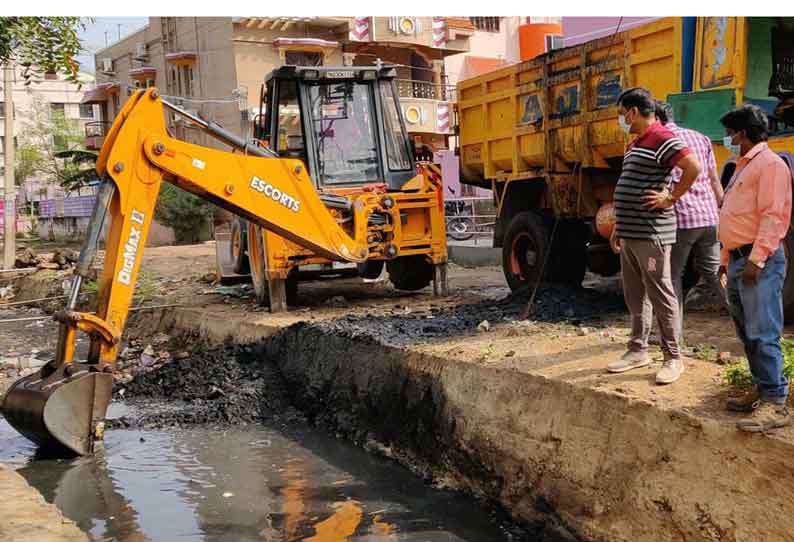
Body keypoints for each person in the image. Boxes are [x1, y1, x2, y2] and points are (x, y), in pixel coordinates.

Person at [608, 87, 702, 384]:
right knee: (635, 295)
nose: (622, 120)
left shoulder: (662, 138)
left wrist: (670, 197)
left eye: (623, 114)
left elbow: (693, 167)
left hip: (652, 234)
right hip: (631, 233)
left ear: (634, 111)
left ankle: (673, 357)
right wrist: (617, 228)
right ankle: (638, 350)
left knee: (661, 294)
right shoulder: (636, 143)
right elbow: (628, 185)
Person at [718, 104, 792, 432]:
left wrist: (757, 259)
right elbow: (735, 215)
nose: (728, 139)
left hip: (757, 262)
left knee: (763, 332)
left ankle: (776, 404)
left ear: (743, 133)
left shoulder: (769, 165)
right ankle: (763, 388)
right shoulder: (742, 166)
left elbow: (774, 215)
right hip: (738, 259)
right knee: (747, 332)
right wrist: (726, 257)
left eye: (731, 133)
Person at [654, 101, 725, 345]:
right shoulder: (701, 138)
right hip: (709, 218)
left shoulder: (660, 140)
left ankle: (673, 338)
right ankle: (749, 323)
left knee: (671, 277)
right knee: (715, 274)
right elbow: (714, 179)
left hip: (681, 219)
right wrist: (722, 209)